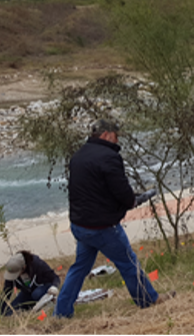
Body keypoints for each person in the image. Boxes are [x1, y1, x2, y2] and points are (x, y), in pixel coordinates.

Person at [55, 119, 173, 319]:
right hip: (102, 226)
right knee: (128, 263)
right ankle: (147, 299)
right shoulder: (109, 157)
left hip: (80, 224)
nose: (118, 141)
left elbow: (89, 190)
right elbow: (122, 192)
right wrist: (133, 200)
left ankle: (61, 312)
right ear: (106, 135)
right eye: (116, 136)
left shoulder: (78, 155)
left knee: (79, 268)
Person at [0, 251, 60, 316]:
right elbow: (6, 292)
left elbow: (55, 278)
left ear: (24, 267)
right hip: (27, 293)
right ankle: (32, 307)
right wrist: (0, 312)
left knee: (36, 294)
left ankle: (50, 302)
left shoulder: (38, 264)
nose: (13, 276)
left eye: (16, 273)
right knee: (10, 311)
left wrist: (54, 287)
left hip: (44, 288)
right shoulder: (12, 272)